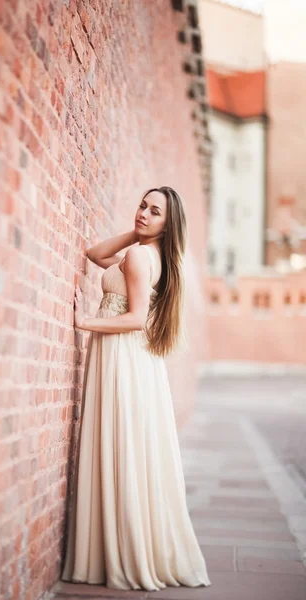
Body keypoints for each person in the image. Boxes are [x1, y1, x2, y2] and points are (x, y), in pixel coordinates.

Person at [61, 186, 212, 591]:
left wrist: (84, 324)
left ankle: (122, 549)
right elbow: (96, 255)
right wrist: (139, 231)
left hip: (122, 354)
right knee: (124, 443)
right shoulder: (146, 252)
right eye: (143, 206)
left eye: (155, 211)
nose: (143, 212)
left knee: (120, 442)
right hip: (126, 356)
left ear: (168, 223)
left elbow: (135, 319)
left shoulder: (144, 258)